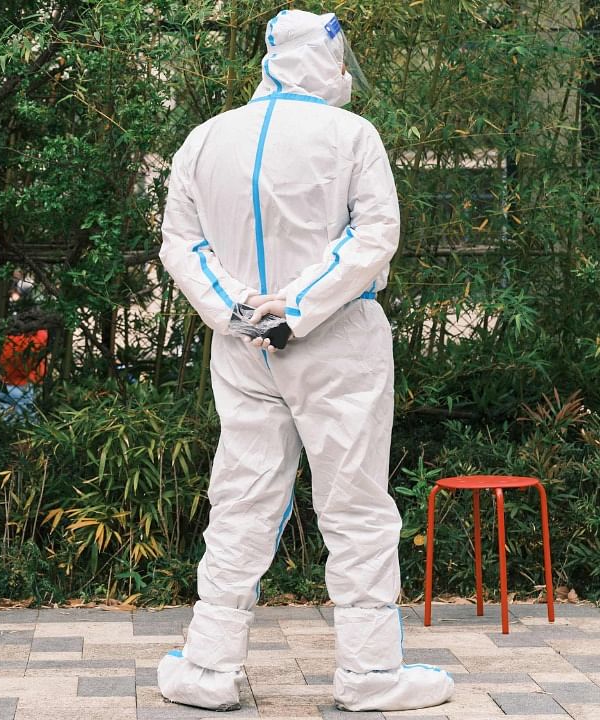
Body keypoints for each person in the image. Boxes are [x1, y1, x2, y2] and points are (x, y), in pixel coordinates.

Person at [155, 10, 454, 713]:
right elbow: (375, 234)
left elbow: (181, 244)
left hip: (241, 348)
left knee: (240, 502)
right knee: (354, 506)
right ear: (323, 60)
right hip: (336, 341)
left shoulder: (203, 139)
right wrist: (299, 308)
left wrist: (240, 309)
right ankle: (372, 674)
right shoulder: (351, 134)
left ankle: (208, 668)